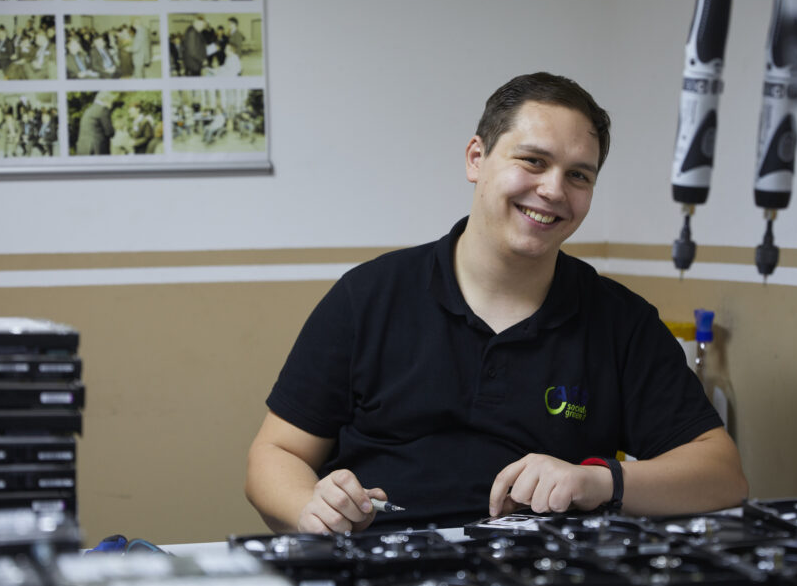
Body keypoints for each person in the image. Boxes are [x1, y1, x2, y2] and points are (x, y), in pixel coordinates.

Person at [245, 72, 749, 535]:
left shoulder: (621, 321)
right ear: (476, 158)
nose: (552, 190)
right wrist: (310, 506)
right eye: (533, 161)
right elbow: (275, 453)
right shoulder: (368, 298)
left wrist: (599, 482)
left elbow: (722, 475)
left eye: (579, 175)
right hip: (381, 573)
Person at [75, 91, 115, 155]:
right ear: (106, 100)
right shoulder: (103, 110)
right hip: (97, 149)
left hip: (83, 148)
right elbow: (110, 132)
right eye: (111, 102)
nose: (111, 105)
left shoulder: (88, 110)